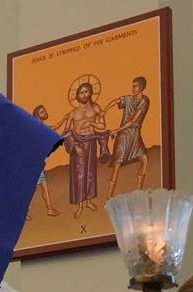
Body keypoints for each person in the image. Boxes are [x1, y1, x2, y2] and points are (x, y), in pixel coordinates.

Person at [53, 81, 108, 218]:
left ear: (90, 93)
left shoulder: (96, 108)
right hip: (77, 145)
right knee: (79, 175)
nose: (84, 94)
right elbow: (66, 132)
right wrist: (75, 146)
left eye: (86, 91)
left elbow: (102, 126)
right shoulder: (73, 113)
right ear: (77, 95)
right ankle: (80, 205)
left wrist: (92, 122)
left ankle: (89, 201)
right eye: (81, 92)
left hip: (90, 142)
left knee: (90, 172)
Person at [103, 77, 151, 198]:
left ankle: (139, 190)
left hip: (134, 134)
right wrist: (104, 111)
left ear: (141, 88)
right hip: (124, 136)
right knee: (117, 163)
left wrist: (116, 130)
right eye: (133, 86)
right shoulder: (128, 99)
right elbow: (116, 101)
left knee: (144, 159)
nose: (133, 88)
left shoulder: (144, 101)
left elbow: (133, 120)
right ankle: (109, 195)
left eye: (135, 86)